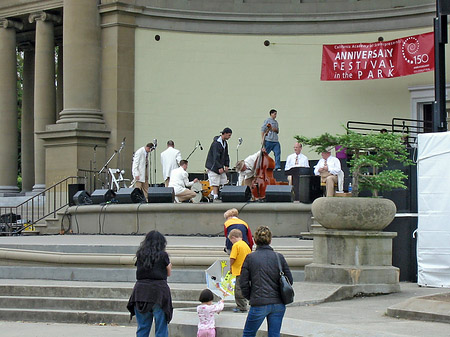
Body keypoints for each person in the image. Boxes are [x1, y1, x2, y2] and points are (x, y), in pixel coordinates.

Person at [240, 226, 293, 337]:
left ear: (255, 240)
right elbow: (289, 280)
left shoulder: (250, 258)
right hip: (278, 303)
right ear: (270, 240)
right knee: (274, 334)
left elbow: (243, 283)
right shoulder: (279, 257)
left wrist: (251, 297)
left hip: (259, 302)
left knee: (248, 334)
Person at [127, 231, 173, 337]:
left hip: (140, 292)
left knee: (143, 327)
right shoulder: (163, 255)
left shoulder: (140, 255)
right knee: (161, 327)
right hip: (159, 293)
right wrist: (169, 265)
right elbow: (168, 273)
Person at [205, 127, 232, 201]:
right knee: (215, 181)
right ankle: (215, 196)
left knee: (223, 180)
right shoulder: (216, 143)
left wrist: (227, 165)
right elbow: (215, 157)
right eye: (229, 135)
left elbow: (226, 155)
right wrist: (219, 167)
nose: (229, 137)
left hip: (219, 165)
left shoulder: (225, 143)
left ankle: (213, 194)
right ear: (225, 134)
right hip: (213, 166)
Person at [229, 228, 251, 313]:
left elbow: (232, 258)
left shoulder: (236, 245)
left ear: (233, 237)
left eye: (231, 240)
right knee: (245, 288)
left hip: (239, 271)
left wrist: (231, 267)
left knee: (238, 290)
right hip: (246, 271)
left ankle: (241, 307)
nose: (231, 242)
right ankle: (245, 304)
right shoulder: (246, 245)